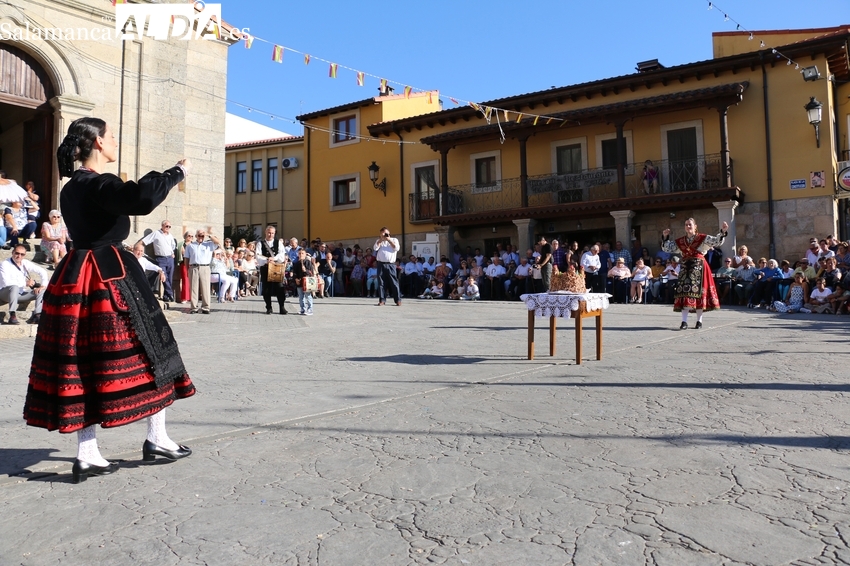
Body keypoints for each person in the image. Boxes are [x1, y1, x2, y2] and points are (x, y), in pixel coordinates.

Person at [22, 117, 195, 484]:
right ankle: (157, 438)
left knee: (81, 359)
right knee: (152, 348)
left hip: (76, 274)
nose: (116, 141)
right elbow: (142, 198)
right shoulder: (99, 182)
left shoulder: (72, 186)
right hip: (108, 275)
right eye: (112, 136)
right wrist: (176, 172)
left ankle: (88, 453)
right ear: (98, 142)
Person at [661, 218, 728, 329]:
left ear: (695, 226)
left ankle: (699, 321)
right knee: (684, 294)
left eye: (690, 224)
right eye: (686, 225)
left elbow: (717, 241)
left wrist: (723, 231)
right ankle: (684, 322)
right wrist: (665, 237)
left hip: (699, 268)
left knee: (699, 294)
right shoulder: (681, 241)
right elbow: (667, 248)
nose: (688, 226)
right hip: (685, 269)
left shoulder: (702, 238)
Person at [0, 244, 47, 325]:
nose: (19, 256)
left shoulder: (25, 263)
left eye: (22, 254)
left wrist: (43, 285)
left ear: (25, 255)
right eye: (17, 253)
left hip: (20, 293)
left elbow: (43, 271)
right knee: (14, 287)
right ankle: (12, 315)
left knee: (42, 291)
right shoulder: (5, 264)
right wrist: (25, 283)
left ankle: (37, 315)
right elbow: (6, 283)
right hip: (5, 293)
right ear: (12, 252)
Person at [139, 219, 177, 302]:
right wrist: (138, 247)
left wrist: (172, 253)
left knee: (170, 277)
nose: (168, 228)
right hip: (161, 258)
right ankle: (170, 294)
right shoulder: (156, 233)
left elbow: (173, 246)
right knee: (164, 276)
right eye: (166, 226)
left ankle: (166, 296)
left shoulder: (170, 235)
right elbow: (145, 241)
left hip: (170, 258)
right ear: (162, 226)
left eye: (169, 226)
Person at [184, 227, 220, 314]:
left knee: (205, 288)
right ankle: (194, 307)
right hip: (194, 267)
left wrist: (209, 235)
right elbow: (186, 258)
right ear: (196, 236)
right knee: (193, 288)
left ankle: (206, 307)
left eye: (202, 235)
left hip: (205, 267)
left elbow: (217, 242)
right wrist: (187, 269)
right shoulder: (190, 246)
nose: (201, 237)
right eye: (199, 235)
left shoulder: (209, 244)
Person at [256, 225, 288, 315]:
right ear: (265, 232)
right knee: (266, 289)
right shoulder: (260, 243)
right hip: (265, 268)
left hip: (276, 268)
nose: (270, 235)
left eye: (272, 233)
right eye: (269, 233)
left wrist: (274, 258)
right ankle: (269, 307)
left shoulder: (279, 243)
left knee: (279, 287)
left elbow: (282, 254)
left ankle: (282, 307)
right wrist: (267, 260)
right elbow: (258, 256)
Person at [373, 227, 401, 306]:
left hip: (390, 264)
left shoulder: (394, 240)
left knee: (394, 282)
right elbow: (375, 248)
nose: (384, 235)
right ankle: (382, 300)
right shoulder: (379, 241)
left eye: (385, 233)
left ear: (389, 233)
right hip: (381, 264)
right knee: (381, 283)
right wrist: (381, 240)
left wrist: (389, 240)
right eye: (382, 233)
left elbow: (397, 248)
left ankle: (398, 300)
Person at [291, 247, 316, 315]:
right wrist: (296, 279)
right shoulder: (296, 263)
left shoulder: (308, 262)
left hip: (306, 282)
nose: (301, 255)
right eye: (299, 253)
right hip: (299, 281)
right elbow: (294, 272)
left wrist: (305, 270)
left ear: (305, 254)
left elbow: (311, 272)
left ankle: (310, 309)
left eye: (302, 253)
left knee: (308, 295)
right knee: (301, 296)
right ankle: (302, 309)